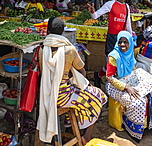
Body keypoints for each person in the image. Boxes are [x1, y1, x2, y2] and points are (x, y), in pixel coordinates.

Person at [37, 17, 107, 145]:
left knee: (77, 97)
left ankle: (69, 130)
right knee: (98, 96)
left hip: (45, 95)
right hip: (62, 96)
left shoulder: (41, 49)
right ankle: (86, 136)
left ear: (47, 31)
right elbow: (82, 71)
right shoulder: (69, 49)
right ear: (63, 31)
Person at [106, 31, 152, 142]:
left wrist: (145, 81)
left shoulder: (130, 53)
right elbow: (110, 78)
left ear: (130, 43)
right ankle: (135, 129)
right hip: (116, 85)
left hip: (131, 80)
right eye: (120, 42)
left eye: (125, 42)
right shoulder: (113, 56)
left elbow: (134, 71)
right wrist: (127, 87)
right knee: (138, 102)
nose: (122, 45)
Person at [87, 0, 133, 86]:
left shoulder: (127, 7)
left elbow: (128, 23)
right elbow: (95, 16)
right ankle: (105, 80)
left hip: (122, 38)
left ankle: (100, 75)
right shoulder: (110, 4)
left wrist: (131, 37)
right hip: (112, 37)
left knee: (119, 61)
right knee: (111, 61)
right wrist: (92, 11)